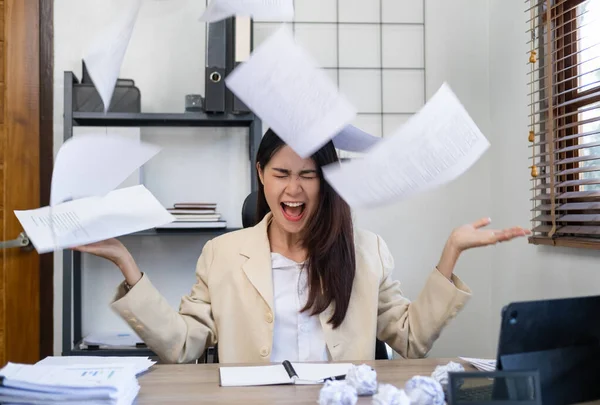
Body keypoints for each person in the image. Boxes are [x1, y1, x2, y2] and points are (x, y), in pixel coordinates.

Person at [74, 129, 530, 364]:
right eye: (281, 174)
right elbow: (183, 346)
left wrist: (451, 252)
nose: (294, 189)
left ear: (326, 181)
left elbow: (410, 340)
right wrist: (126, 264)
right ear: (260, 174)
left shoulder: (365, 250)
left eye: (309, 175)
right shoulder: (223, 253)